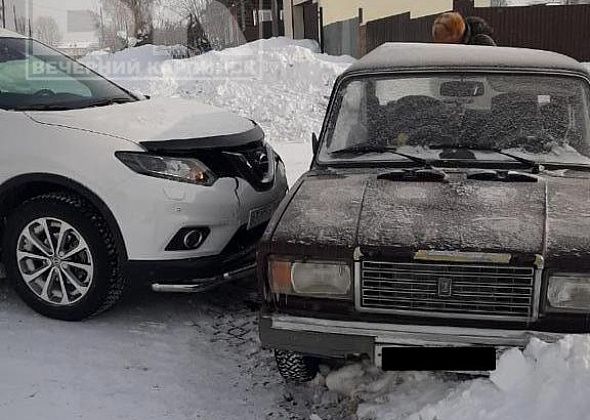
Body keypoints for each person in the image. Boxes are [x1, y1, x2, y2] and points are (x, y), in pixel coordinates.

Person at [432, 12, 497, 46]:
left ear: (455, 34)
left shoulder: (482, 43)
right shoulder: (460, 42)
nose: (441, 45)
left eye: (443, 40)